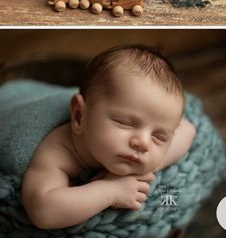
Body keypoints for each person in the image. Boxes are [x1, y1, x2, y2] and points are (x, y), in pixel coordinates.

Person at [21, 45, 196, 230]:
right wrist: (110, 190)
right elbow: (43, 211)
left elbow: (188, 131)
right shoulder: (59, 150)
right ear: (80, 116)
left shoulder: (133, 136)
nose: (144, 143)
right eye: (125, 123)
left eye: (158, 137)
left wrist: (144, 167)